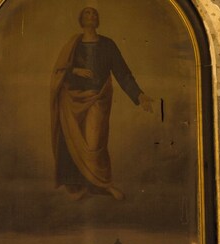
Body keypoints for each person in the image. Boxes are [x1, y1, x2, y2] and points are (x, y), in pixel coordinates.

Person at [51, 7, 154, 201]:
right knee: (72, 141)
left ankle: (102, 185)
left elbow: (122, 72)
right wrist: (74, 71)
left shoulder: (107, 44)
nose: (91, 16)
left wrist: (139, 95)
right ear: (80, 18)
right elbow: (59, 71)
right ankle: (77, 187)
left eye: (94, 13)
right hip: (72, 99)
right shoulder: (73, 44)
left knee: (94, 143)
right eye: (87, 13)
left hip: (98, 98)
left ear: (98, 20)